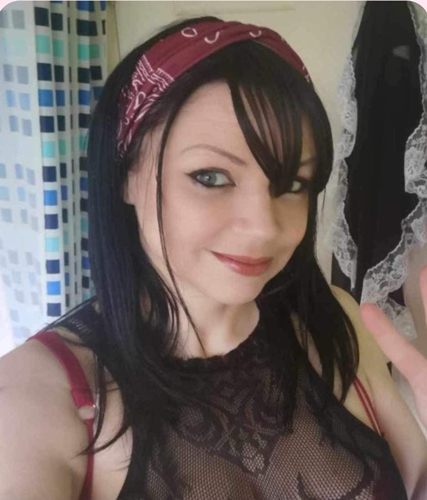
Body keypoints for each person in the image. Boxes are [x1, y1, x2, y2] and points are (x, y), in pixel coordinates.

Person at [0, 15, 426, 500]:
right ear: (127, 174)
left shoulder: (334, 323)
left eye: (292, 184)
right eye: (210, 177)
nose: (265, 227)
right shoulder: (36, 396)